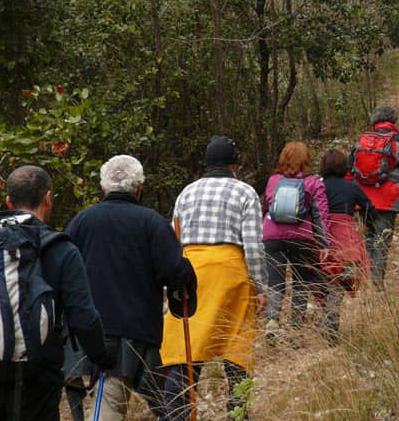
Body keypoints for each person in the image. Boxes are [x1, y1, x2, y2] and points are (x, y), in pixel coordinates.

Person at [0, 165, 112, 421]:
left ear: (9, 202)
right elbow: (84, 317)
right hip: (35, 379)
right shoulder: (60, 248)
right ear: (48, 198)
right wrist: (101, 357)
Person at [62, 155, 197, 421]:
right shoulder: (152, 223)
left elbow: (64, 273)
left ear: (103, 187)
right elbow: (174, 271)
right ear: (139, 188)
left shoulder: (81, 222)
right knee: (147, 402)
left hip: (87, 332)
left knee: (116, 399)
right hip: (137, 333)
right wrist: (187, 277)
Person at [158, 136, 265, 420]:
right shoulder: (245, 192)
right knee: (238, 348)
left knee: (186, 349)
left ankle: (176, 413)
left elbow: (173, 238)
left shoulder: (186, 193)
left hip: (190, 272)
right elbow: (253, 245)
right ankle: (237, 412)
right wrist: (261, 285)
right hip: (230, 272)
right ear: (235, 165)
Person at [261, 142, 330, 339]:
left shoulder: (273, 180)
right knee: (300, 281)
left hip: (271, 236)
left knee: (275, 280)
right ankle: (296, 327)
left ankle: (272, 320)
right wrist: (324, 242)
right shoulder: (313, 182)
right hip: (300, 237)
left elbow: (266, 206)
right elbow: (321, 214)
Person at [350, 106, 399, 290]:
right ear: (393, 121)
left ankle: (369, 276)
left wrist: (351, 202)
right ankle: (377, 281)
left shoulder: (362, 141)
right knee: (383, 240)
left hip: (363, 199)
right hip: (388, 200)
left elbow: (350, 173)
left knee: (369, 238)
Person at [317, 150, 372, 345]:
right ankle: (330, 324)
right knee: (340, 282)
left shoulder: (319, 186)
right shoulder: (351, 187)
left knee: (325, 283)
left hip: (321, 238)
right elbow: (369, 208)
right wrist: (364, 227)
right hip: (346, 239)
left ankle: (326, 321)